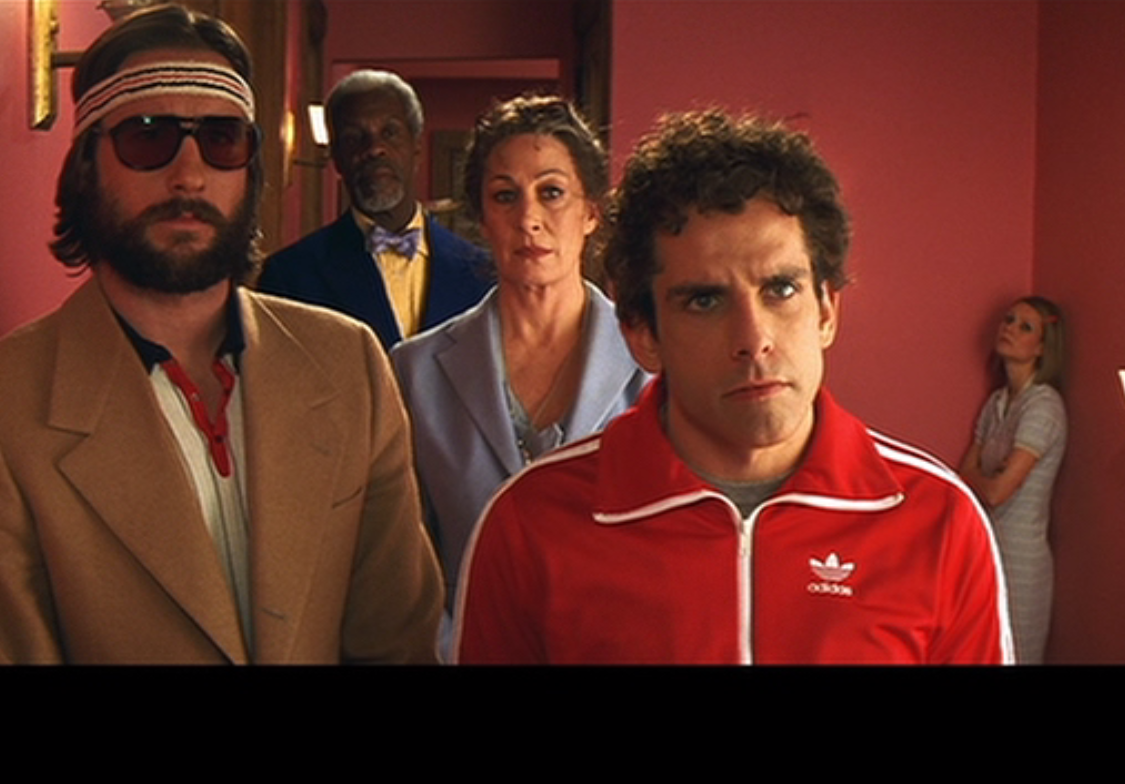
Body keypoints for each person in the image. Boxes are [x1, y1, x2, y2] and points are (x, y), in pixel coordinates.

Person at [0, 4, 442, 663]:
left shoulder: (347, 362)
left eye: (222, 140)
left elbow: (397, 639)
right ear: (86, 165)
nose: (189, 175)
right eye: (148, 137)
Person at [455, 108, 1013, 664]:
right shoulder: (530, 522)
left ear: (826, 311)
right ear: (643, 334)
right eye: (705, 301)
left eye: (780, 290)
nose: (753, 339)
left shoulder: (939, 520)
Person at [389, 95, 649, 655]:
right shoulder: (414, 370)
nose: (528, 219)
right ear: (483, 218)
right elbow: (403, 560)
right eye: (505, 196)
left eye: (551, 192)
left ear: (591, 212)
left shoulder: (652, 364)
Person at [257, 69, 491, 350]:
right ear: (336, 157)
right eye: (353, 138)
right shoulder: (290, 275)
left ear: (416, 145)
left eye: (389, 133)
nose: (374, 149)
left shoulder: (482, 272)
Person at [958, 297, 1067, 664]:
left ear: (1041, 348)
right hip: (986, 550)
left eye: (1025, 327)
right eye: (1009, 320)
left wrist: (986, 478)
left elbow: (996, 492)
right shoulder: (997, 403)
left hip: (1021, 560)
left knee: (1017, 654)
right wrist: (985, 477)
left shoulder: (1044, 406)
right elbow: (963, 477)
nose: (1010, 329)